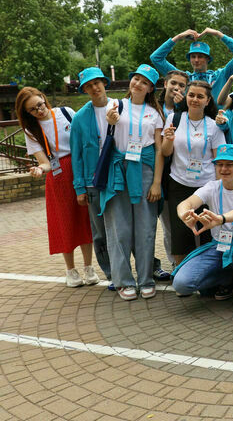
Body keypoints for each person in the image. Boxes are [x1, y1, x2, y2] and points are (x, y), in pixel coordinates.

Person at [98, 64, 165, 301]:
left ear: (150, 89)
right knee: (119, 228)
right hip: (118, 170)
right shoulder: (114, 105)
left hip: (144, 170)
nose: (138, 84)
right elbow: (106, 129)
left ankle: (146, 279)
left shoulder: (154, 114)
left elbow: (159, 150)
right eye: (136, 79)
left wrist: (156, 182)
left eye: (144, 82)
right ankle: (123, 280)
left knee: (146, 228)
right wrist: (110, 119)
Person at [172, 144, 233, 313]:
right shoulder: (211, 187)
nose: (223, 169)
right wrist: (185, 214)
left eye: (229, 164)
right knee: (181, 284)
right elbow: (186, 203)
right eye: (219, 164)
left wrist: (221, 219)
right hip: (219, 246)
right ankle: (228, 279)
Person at [17, 87, 95, 288]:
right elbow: (44, 162)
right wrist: (39, 169)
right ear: (27, 113)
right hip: (57, 176)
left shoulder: (66, 113)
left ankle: (89, 267)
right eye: (33, 109)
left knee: (84, 219)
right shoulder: (31, 130)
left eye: (40, 104)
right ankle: (71, 270)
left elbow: (85, 137)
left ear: (44, 98)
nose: (39, 110)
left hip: (79, 169)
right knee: (64, 222)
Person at [161, 80, 226, 267]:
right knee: (180, 233)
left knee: (207, 232)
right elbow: (165, 152)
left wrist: (219, 189)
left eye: (200, 96)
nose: (195, 99)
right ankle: (181, 272)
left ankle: (206, 273)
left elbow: (218, 160)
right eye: (191, 95)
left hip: (206, 186)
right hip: (179, 183)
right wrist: (168, 139)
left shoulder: (213, 125)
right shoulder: (174, 119)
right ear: (185, 97)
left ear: (208, 100)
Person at [69, 67, 114, 284]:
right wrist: (80, 188)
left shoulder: (120, 106)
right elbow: (76, 155)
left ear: (104, 83)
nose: (94, 88)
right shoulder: (79, 118)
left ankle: (143, 267)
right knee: (100, 232)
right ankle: (111, 273)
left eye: (97, 83)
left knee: (127, 226)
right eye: (88, 86)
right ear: (84, 90)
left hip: (119, 177)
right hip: (93, 181)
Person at [155, 69, 190, 275]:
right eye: (173, 83)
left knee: (183, 220)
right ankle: (174, 262)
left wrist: (182, 106)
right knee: (168, 223)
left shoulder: (187, 109)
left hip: (180, 170)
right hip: (159, 169)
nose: (177, 88)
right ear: (165, 84)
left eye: (181, 85)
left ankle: (189, 261)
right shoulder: (154, 107)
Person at [149, 27, 233, 100]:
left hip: (217, 121)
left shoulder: (220, 76)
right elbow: (156, 58)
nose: (196, 60)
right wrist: (178, 37)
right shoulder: (183, 78)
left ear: (208, 59)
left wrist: (218, 34)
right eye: (193, 56)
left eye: (200, 56)